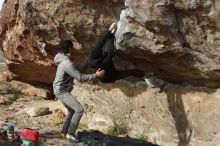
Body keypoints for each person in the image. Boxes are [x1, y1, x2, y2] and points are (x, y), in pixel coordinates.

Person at [53, 40, 105, 142]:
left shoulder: (62, 58)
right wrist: (96, 76)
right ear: (70, 49)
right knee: (79, 110)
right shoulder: (67, 63)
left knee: (72, 110)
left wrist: (86, 64)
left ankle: (64, 132)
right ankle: (70, 134)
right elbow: (80, 78)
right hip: (61, 91)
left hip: (58, 89)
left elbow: (75, 72)